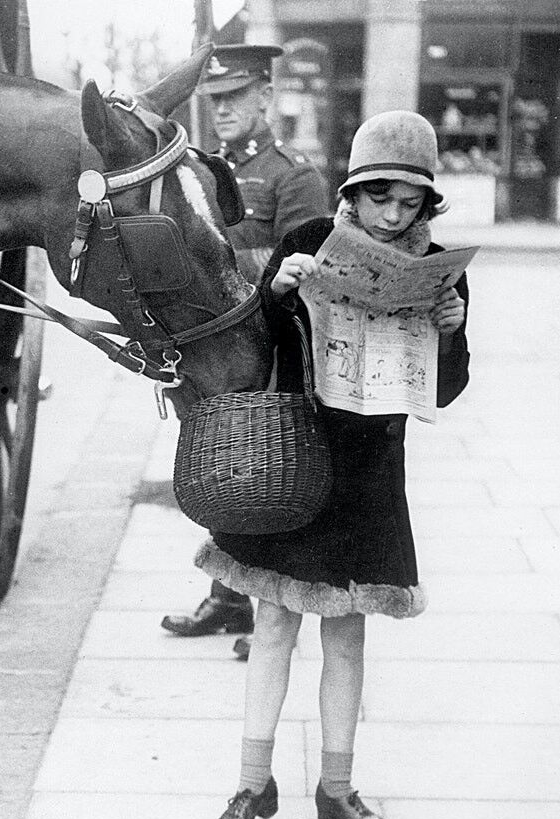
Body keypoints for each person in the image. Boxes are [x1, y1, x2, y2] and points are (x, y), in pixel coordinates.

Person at [202, 109, 470, 819]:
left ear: (426, 204)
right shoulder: (307, 242)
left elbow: (447, 390)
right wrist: (277, 293)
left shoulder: (439, 269)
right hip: (294, 462)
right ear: (352, 191)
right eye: (380, 198)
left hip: (369, 476)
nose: (393, 216)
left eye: (409, 202)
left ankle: (337, 788)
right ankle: (250, 787)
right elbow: (252, 350)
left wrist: (450, 331)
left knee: (347, 634)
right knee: (273, 624)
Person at [161, 44, 328, 659]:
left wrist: (219, 266)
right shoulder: (201, 172)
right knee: (223, 474)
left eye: (235, 97)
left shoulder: (294, 176)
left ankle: (274, 616)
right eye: (216, 100)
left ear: (265, 97)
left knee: (272, 481)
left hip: (273, 352)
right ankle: (228, 598)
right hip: (215, 355)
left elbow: (308, 268)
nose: (223, 110)